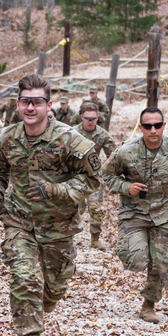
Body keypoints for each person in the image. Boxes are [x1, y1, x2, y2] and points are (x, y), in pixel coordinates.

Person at [0, 74, 101, 336]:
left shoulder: (71, 140)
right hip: (19, 222)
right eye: (26, 102)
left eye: (37, 102)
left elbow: (92, 179)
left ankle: (42, 305)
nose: (31, 107)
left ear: (49, 106)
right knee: (25, 278)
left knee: (53, 289)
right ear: (18, 104)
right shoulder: (6, 137)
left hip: (59, 227)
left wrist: (58, 191)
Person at [102, 106, 168, 324]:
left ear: (163, 126)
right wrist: (126, 187)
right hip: (134, 213)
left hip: (164, 213)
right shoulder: (126, 151)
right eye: (148, 126)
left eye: (157, 125)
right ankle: (132, 249)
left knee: (161, 263)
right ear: (140, 127)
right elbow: (106, 175)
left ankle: (148, 305)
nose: (153, 130)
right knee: (136, 261)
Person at [74, 102, 117, 249]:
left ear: (98, 117)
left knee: (96, 208)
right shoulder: (72, 133)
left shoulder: (102, 134)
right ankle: (68, 236)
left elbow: (113, 155)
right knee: (73, 208)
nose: (90, 121)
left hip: (94, 178)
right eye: (87, 118)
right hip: (75, 176)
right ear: (81, 117)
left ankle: (95, 239)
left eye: (93, 118)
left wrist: (104, 169)